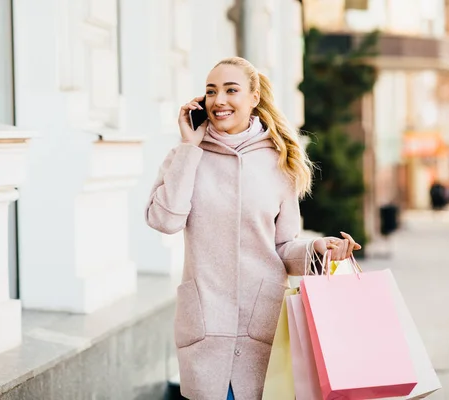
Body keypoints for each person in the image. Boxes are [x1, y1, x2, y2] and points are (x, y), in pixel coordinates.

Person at [145, 57, 361, 400]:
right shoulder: (184, 157)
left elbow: (283, 247)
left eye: (232, 90)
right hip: (204, 331)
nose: (219, 100)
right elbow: (165, 221)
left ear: (254, 97)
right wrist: (189, 147)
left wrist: (317, 250)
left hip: (264, 332)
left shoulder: (280, 162)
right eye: (211, 91)